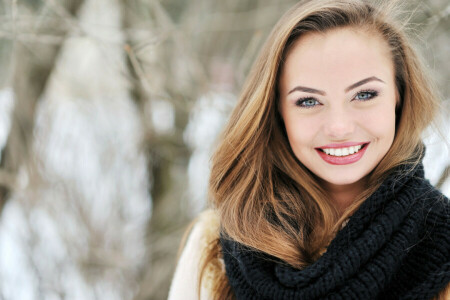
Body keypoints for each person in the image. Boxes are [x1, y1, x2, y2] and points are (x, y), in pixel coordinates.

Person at [169, 0, 450, 299]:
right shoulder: (215, 250)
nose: (339, 127)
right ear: (277, 111)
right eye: (308, 101)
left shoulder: (442, 245)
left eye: (365, 94)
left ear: (400, 96)